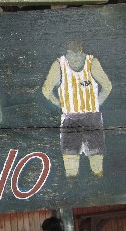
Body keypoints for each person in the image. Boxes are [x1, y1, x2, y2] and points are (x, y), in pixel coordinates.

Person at [42, 41, 112, 178]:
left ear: (81, 52)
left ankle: (92, 183)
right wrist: (61, 104)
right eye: (72, 54)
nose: (74, 57)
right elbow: (46, 90)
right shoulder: (59, 65)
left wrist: (97, 103)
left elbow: (108, 86)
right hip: (75, 119)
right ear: (67, 53)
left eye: (77, 54)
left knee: (93, 163)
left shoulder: (91, 62)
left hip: (87, 119)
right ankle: (79, 184)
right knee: (73, 164)